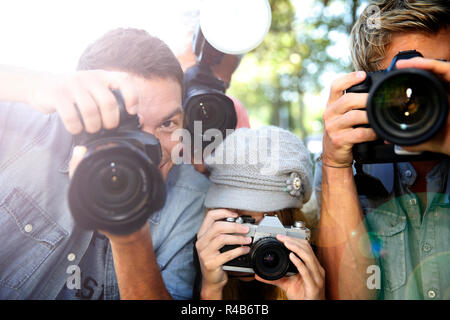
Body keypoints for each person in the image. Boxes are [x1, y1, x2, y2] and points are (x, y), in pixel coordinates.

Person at [0, 28, 209, 299]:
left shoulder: (189, 196)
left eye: (167, 124)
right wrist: (32, 85)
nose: (152, 149)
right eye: (128, 124)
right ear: (81, 109)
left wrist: (131, 240)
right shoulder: (27, 129)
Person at [317, 0, 450, 300]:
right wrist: (336, 168)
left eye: (439, 77)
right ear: (365, 89)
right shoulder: (348, 158)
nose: (420, 98)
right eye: (404, 84)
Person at [194, 126, 325, 300]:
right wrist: (211, 290)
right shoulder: (204, 253)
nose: (253, 247)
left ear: (292, 224)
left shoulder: (314, 263)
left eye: (263, 231)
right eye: (239, 223)